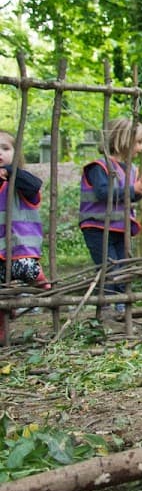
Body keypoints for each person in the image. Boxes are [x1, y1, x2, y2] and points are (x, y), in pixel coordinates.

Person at [79, 117, 142, 313]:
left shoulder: (132, 169)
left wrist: (137, 192)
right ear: (121, 140)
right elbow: (104, 193)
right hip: (98, 227)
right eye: (138, 142)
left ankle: (120, 305)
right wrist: (132, 189)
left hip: (120, 227)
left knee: (122, 266)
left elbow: (125, 197)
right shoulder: (99, 167)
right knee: (109, 267)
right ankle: (105, 307)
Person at [0, 130, 50, 341]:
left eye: (5, 148)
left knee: (25, 269)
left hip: (21, 251)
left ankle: (39, 277)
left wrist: (11, 171)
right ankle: (3, 326)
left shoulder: (21, 184)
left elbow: (35, 186)